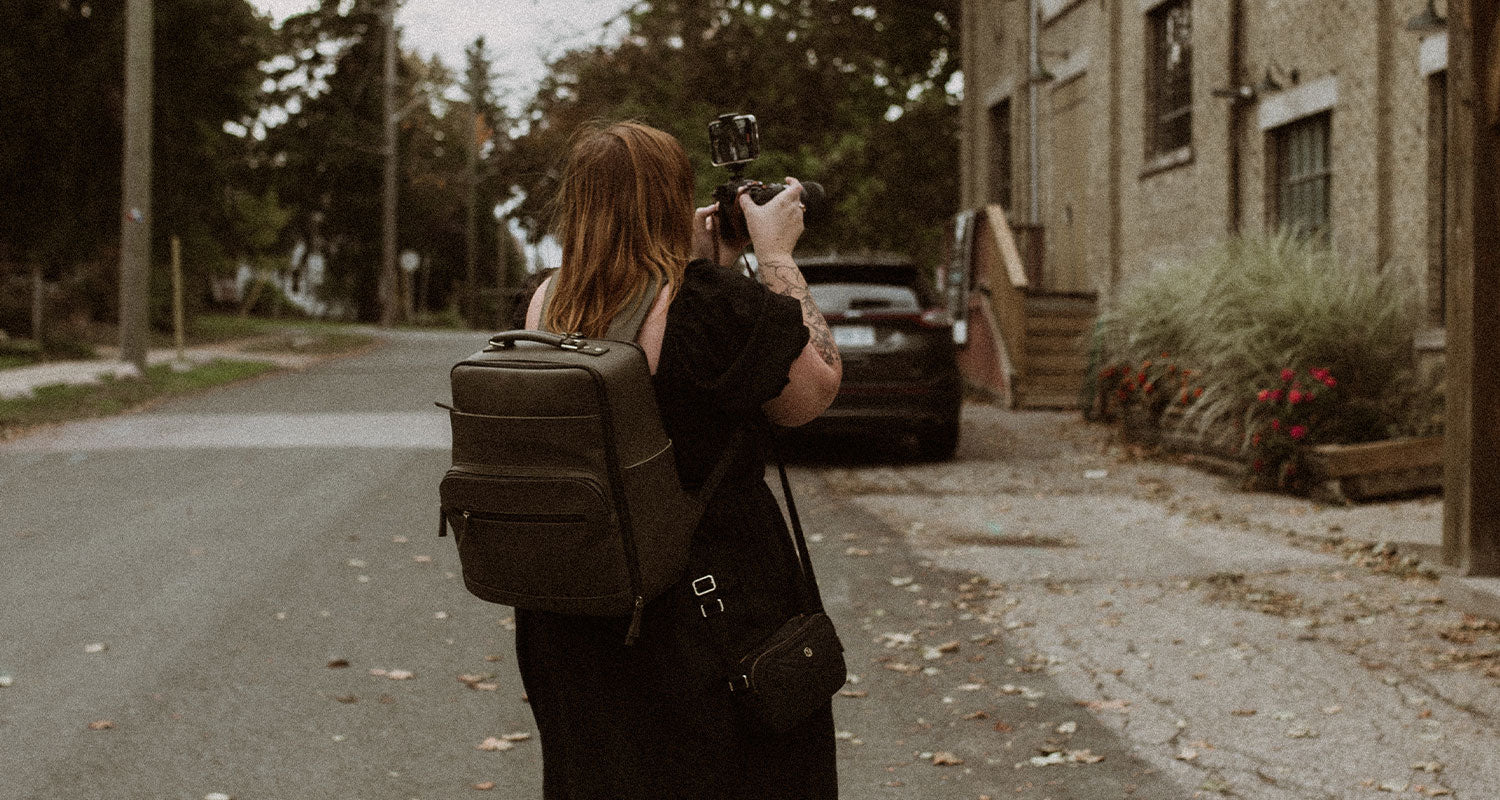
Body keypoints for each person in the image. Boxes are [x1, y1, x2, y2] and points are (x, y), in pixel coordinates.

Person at [516, 120, 843, 798]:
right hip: (706, 615)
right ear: (672, 201)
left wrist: (709, 266)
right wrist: (775, 255)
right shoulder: (707, 306)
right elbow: (813, 392)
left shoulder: (546, 302)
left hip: (578, 620)